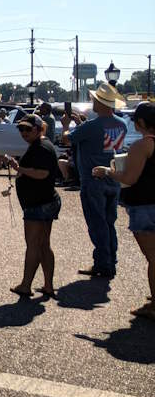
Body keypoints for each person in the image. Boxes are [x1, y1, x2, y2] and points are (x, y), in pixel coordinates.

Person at [92, 101, 155, 319]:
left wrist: (107, 171)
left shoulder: (142, 145)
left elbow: (129, 178)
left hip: (145, 205)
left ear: (141, 123)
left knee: (153, 257)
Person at [62, 82, 128, 278]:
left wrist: (66, 126)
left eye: (95, 101)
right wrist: (81, 126)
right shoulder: (122, 124)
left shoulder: (92, 126)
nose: (92, 103)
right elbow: (101, 140)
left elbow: (67, 139)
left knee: (97, 223)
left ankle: (102, 263)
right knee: (109, 222)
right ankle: (110, 260)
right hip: (113, 177)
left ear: (101, 103)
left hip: (93, 180)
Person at [2, 114, 61, 298]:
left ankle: (26, 285)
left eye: (28, 129)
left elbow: (42, 173)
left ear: (38, 129)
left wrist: (19, 168)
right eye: (21, 129)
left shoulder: (41, 147)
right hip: (44, 201)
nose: (24, 132)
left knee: (34, 245)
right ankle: (48, 285)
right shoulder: (40, 145)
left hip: (39, 203)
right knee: (43, 244)